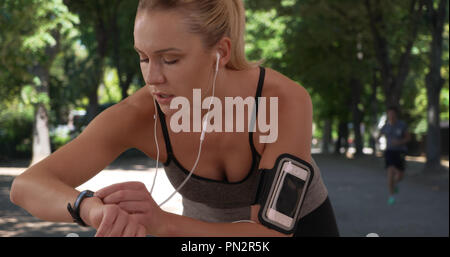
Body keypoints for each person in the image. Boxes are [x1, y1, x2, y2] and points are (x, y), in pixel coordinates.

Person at [10, 0, 339, 237]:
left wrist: (162, 223)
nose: (152, 77)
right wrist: (92, 209)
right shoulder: (140, 114)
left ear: (221, 52)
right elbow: (26, 186)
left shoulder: (283, 102)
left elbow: (270, 238)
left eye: (170, 59)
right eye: (143, 57)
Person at [378, 106, 411, 205]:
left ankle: (395, 184)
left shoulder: (402, 125)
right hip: (389, 152)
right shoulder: (386, 126)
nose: (391, 116)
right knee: (390, 171)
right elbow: (379, 135)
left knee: (400, 175)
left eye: (393, 113)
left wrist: (399, 142)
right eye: (389, 114)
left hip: (400, 152)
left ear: (396, 114)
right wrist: (378, 142)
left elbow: (408, 138)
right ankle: (391, 196)